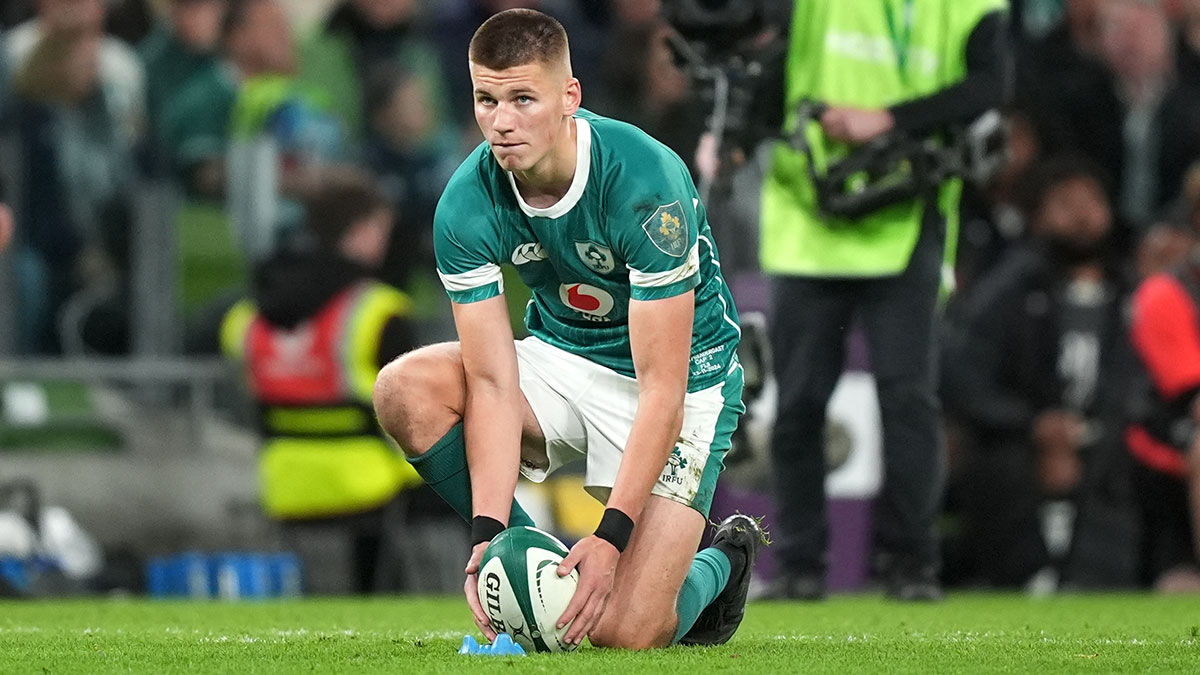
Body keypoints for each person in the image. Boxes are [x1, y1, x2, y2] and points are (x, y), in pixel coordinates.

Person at [372, 9, 763, 649]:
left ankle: (723, 562)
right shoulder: (465, 204)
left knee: (627, 633)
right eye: (485, 99)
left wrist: (609, 539)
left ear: (568, 97)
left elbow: (661, 388)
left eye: (523, 98)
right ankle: (529, 563)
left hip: (683, 382)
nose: (501, 121)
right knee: (404, 388)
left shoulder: (644, 180)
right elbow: (493, 383)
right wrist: (489, 536)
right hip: (562, 358)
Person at [758, 0, 1011, 601]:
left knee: (907, 397)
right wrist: (733, 136)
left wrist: (889, 118)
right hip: (809, 215)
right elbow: (768, 60)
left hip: (906, 209)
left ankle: (913, 564)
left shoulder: (973, 7)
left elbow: (991, 85)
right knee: (798, 401)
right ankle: (799, 564)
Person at [220, 168, 424, 593]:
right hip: (371, 484)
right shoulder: (380, 312)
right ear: (363, 230)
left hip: (282, 481)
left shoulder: (246, 318)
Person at [942, 156, 1136, 589]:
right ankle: (1021, 577)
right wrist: (1033, 425)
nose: (1083, 216)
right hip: (1020, 438)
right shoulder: (1010, 287)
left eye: (1093, 202)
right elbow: (963, 375)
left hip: (1110, 436)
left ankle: (1121, 575)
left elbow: (1141, 381)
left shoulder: (1130, 290)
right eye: (1066, 203)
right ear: (1039, 215)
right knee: (998, 465)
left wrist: (1090, 432)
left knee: (1128, 463)